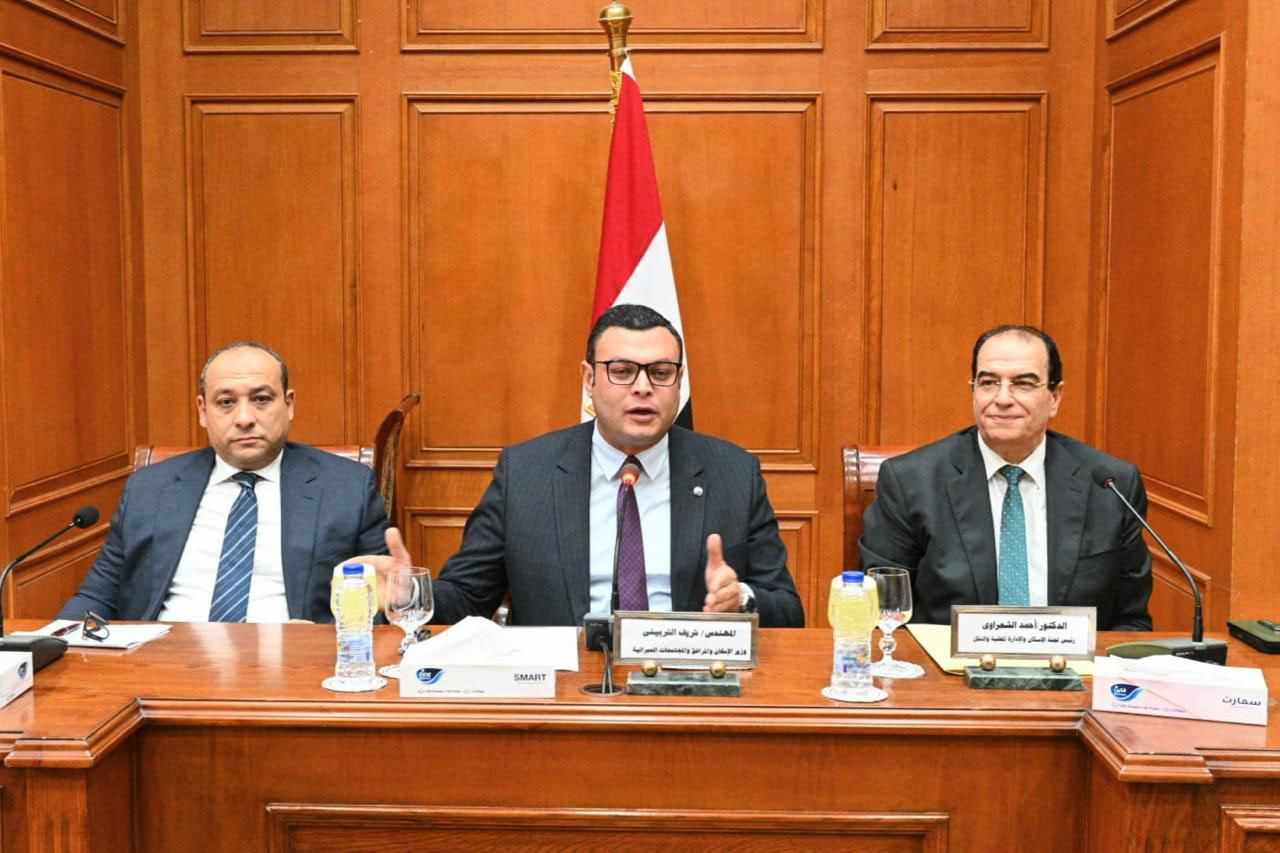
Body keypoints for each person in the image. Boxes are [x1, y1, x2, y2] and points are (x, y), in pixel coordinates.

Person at [372, 304, 804, 627]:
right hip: (562, 692)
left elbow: (789, 610)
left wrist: (741, 599)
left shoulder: (733, 473)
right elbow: (468, 598)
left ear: (679, 380)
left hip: (688, 686)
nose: (642, 387)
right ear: (589, 379)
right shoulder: (525, 474)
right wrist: (410, 595)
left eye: (660, 372)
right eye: (622, 371)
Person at [59, 342, 389, 623]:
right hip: (163, 661)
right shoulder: (149, 488)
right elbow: (97, 595)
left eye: (261, 399)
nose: (244, 418)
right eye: (226, 403)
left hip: (291, 663)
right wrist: (54, 648)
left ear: (288, 405)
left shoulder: (347, 488)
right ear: (203, 411)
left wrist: (387, 605)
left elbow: (380, 602)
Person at [859, 325, 1152, 630]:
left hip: (1073, 660)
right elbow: (885, 614)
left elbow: (1130, 622)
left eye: (1023, 384)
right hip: (945, 660)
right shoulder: (911, 481)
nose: (1002, 398)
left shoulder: (1111, 486)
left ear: (1055, 397)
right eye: (988, 383)